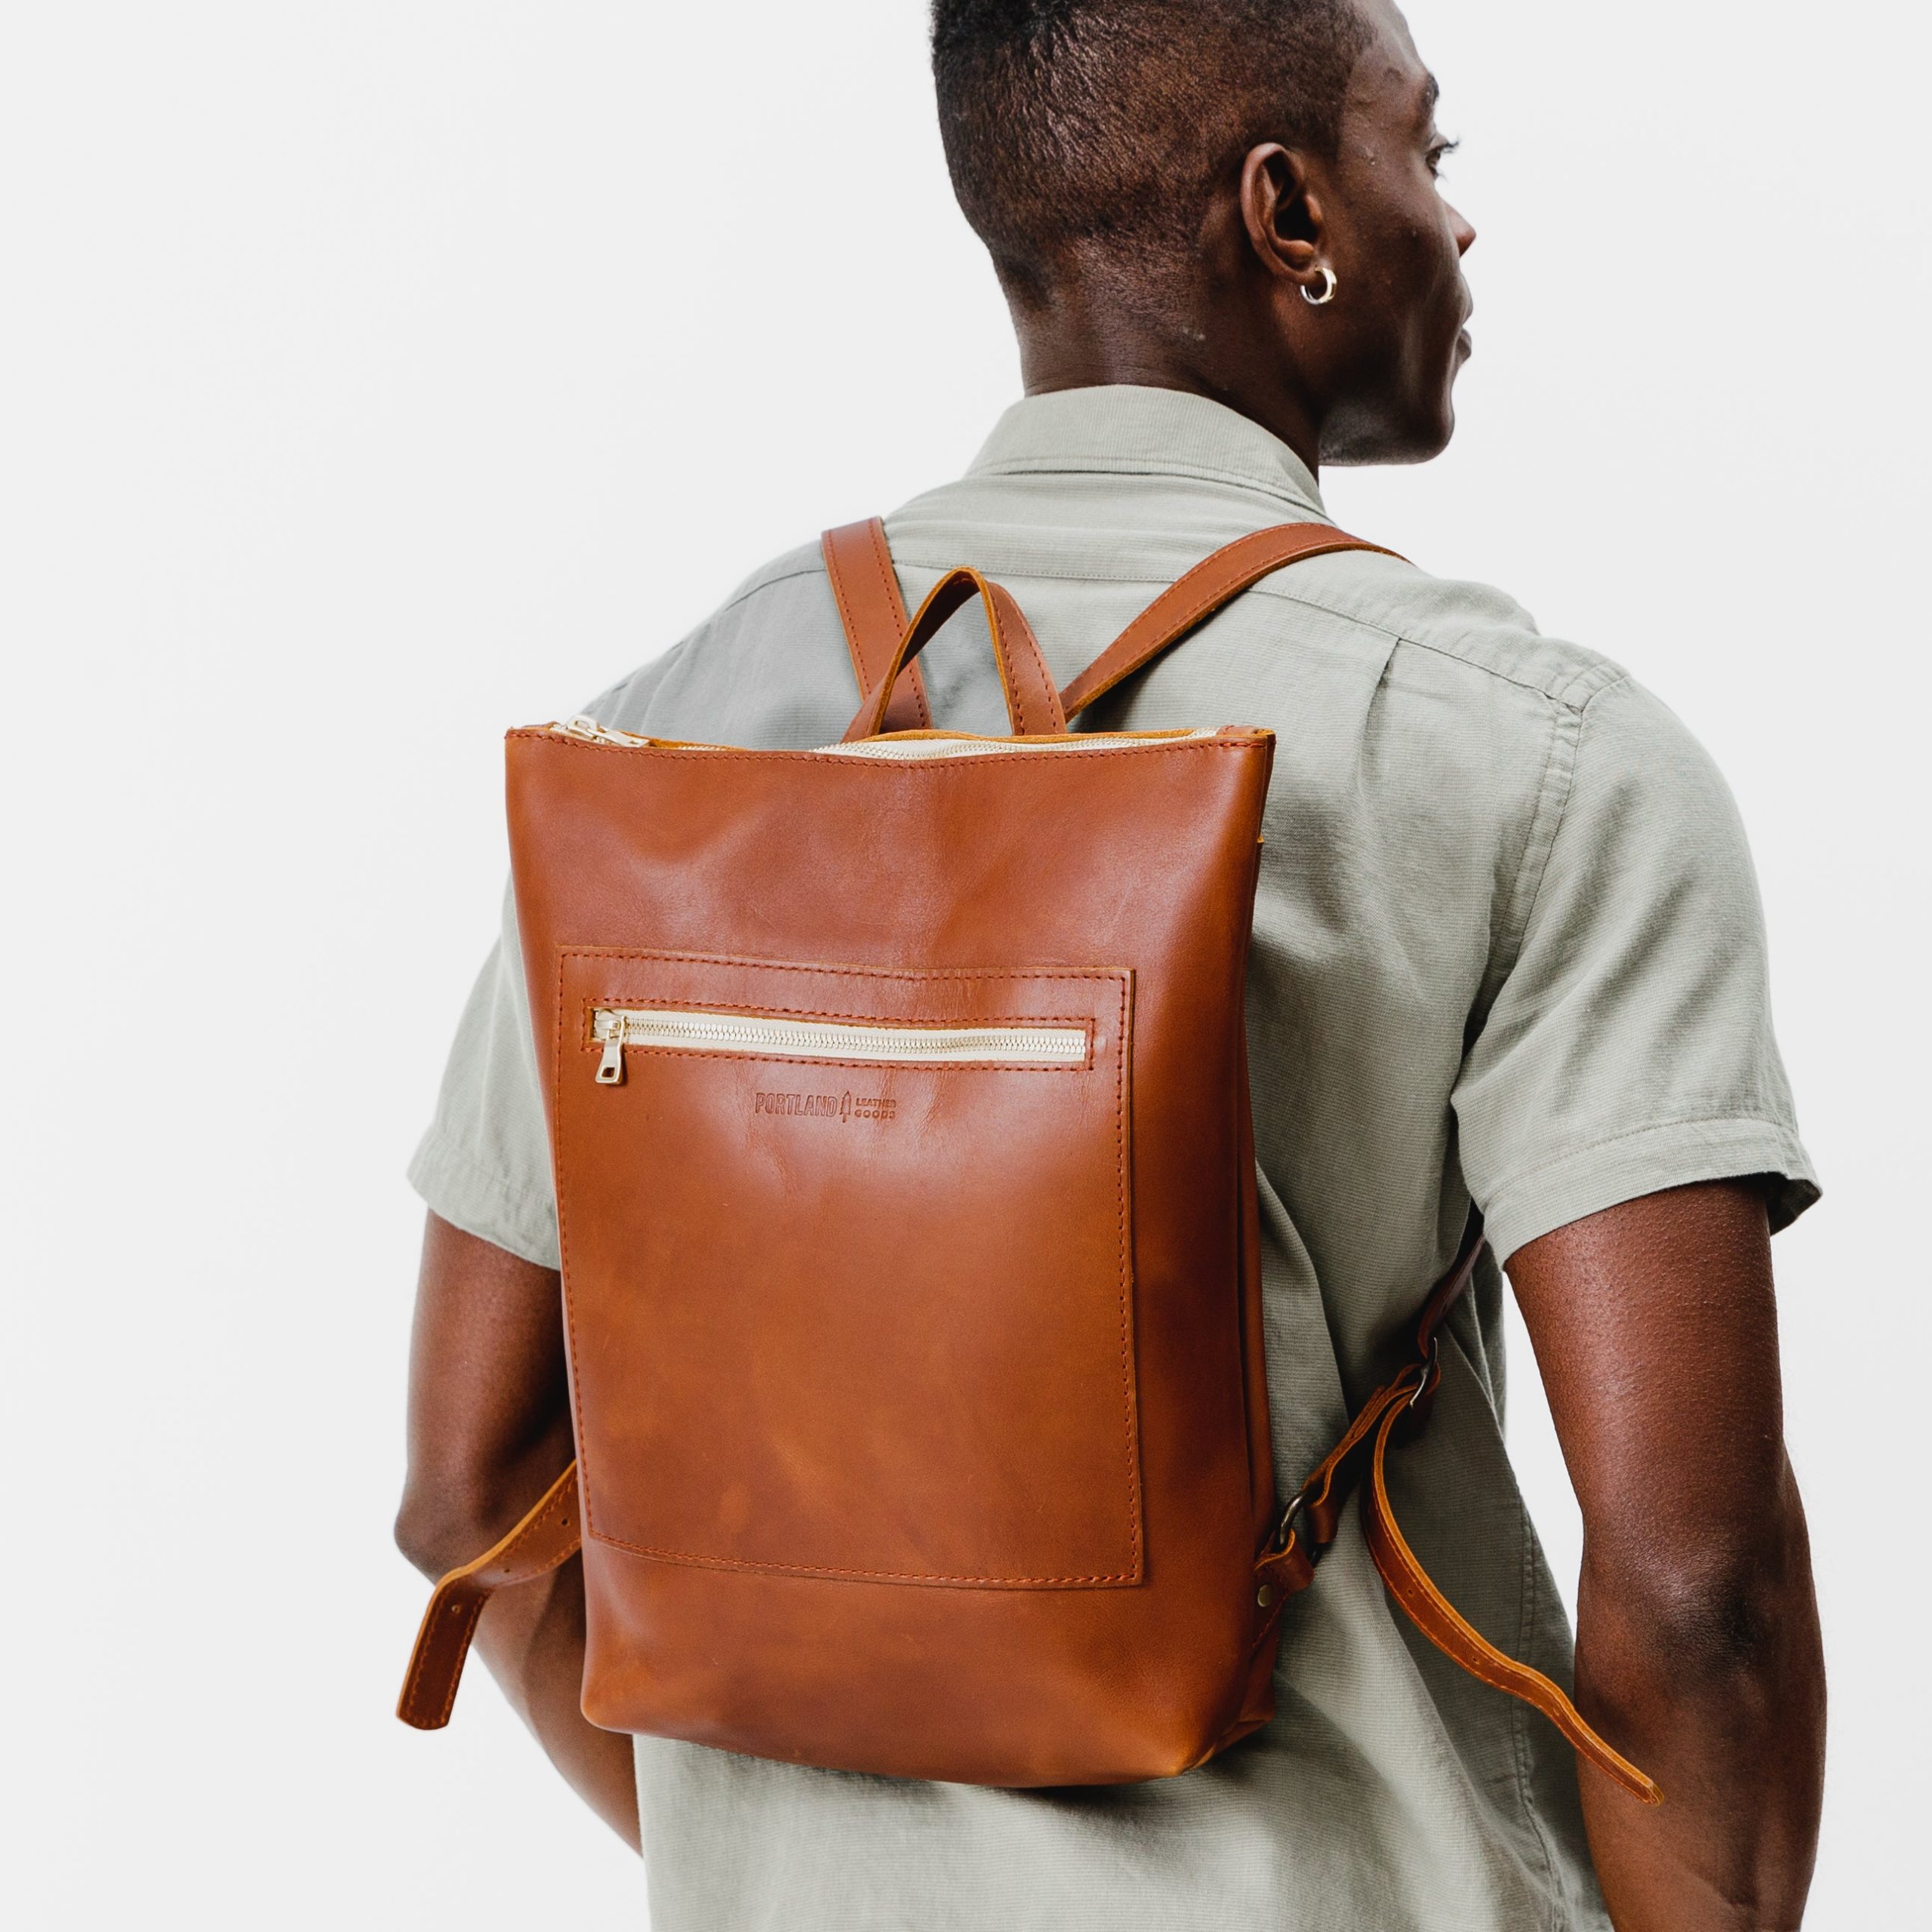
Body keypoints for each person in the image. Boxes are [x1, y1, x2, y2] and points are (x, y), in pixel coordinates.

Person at [394, 2, 1826, 1926]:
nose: (1455, 220)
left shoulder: (663, 737)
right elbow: (1695, 1592)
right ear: (1286, 212)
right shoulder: (1537, 757)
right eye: (1426, 153)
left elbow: (469, 1489)